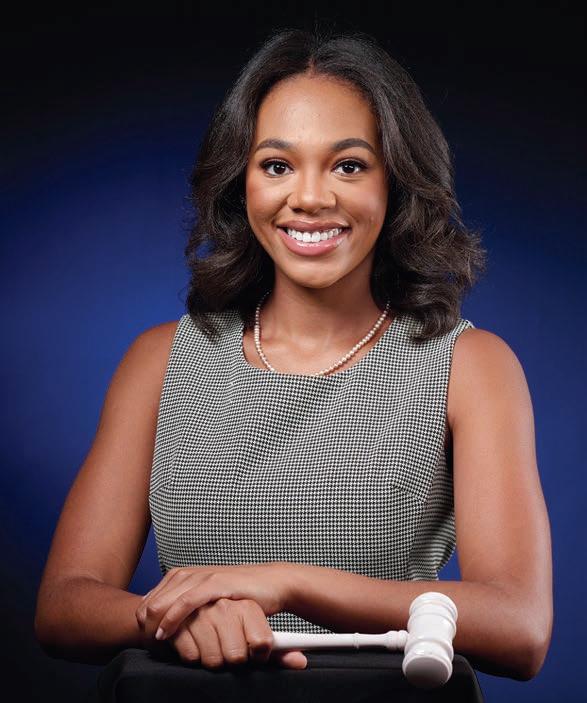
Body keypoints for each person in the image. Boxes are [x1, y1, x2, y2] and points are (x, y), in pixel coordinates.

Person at [34, 27, 553, 681]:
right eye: (276, 165)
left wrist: (286, 583)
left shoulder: (470, 365)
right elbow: (63, 607)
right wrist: (183, 617)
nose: (308, 197)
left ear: (396, 182)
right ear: (240, 182)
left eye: (348, 165)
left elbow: (518, 626)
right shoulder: (160, 360)